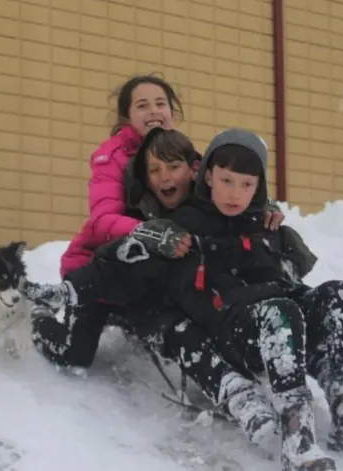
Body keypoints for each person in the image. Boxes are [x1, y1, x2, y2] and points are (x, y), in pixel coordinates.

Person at [23, 128, 343, 471]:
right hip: (235, 328)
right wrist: (68, 291)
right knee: (280, 313)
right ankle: (297, 444)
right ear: (207, 177)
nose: (235, 193)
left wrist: (281, 238)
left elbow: (295, 270)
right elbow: (121, 263)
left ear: (259, 187)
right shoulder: (184, 227)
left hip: (281, 317)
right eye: (226, 181)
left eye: (246, 184)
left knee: (339, 293)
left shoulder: (262, 222)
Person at [30, 74, 287, 449]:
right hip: (103, 265)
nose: (154, 111)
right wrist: (150, 232)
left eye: (160, 103)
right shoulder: (112, 158)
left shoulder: (189, 155)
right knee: (75, 357)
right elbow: (102, 221)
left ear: (173, 111)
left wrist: (262, 208)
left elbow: (228, 188)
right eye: (142, 105)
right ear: (125, 117)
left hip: (161, 265)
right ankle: (40, 318)